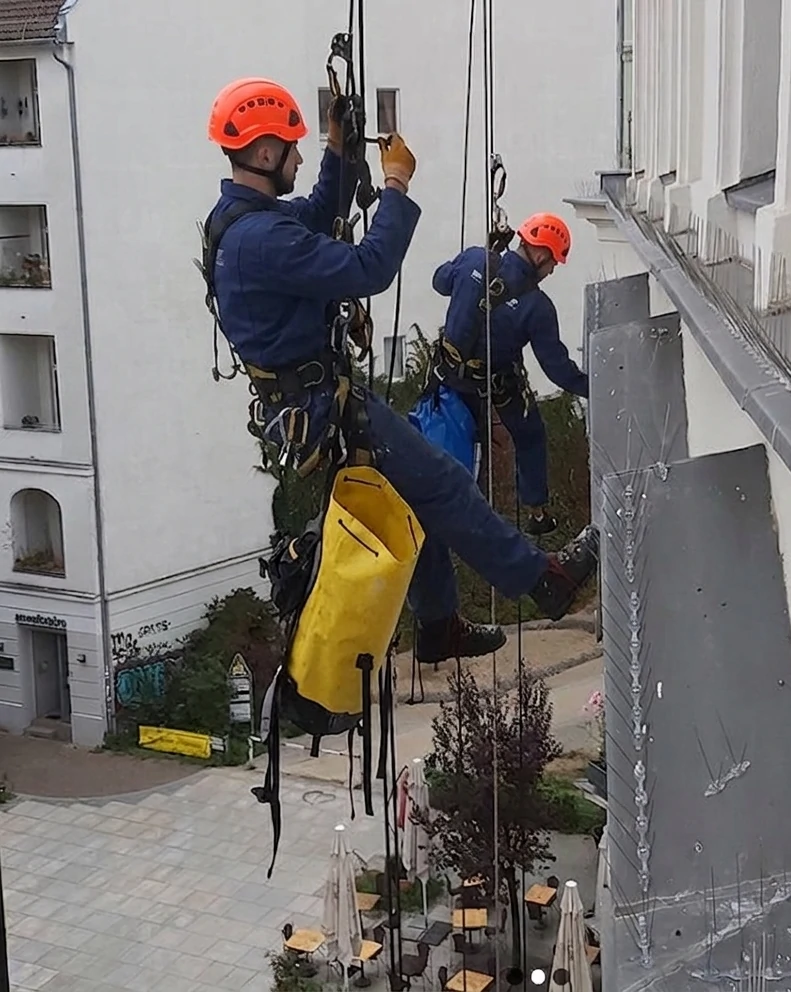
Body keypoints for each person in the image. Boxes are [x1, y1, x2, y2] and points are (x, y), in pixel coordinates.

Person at [202, 77, 598, 665]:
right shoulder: (263, 240)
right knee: (441, 481)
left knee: (417, 494)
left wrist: (340, 150)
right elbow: (369, 266)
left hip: (310, 402)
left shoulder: (243, 221)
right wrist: (395, 185)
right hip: (321, 407)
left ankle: (438, 623)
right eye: (294, 148)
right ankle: (544, 581)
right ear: (265, 154)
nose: (300, 156)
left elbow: (313, 214)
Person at [431, 214, 589, 536]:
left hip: (446, 373)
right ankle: (537, 511)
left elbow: (440, 281)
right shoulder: (537, 306)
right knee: (530, 435)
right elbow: (557, 369)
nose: (552, 271)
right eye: (553, 263)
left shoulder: (475, 258)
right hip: (493, 383)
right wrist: (594, 387)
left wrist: (484, 255)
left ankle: (453, 507)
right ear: (542, 255)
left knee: (455, 445)